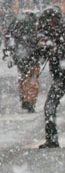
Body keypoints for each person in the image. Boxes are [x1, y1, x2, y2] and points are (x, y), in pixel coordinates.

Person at [35, 8, 65, 148]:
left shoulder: (61, 33)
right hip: (60, 76)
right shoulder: (50, 33)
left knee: (50, 105)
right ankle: (51, 139)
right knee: (49, 107)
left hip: (61, 75)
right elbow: (40, 53)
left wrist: (57, 49)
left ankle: (51, 139)